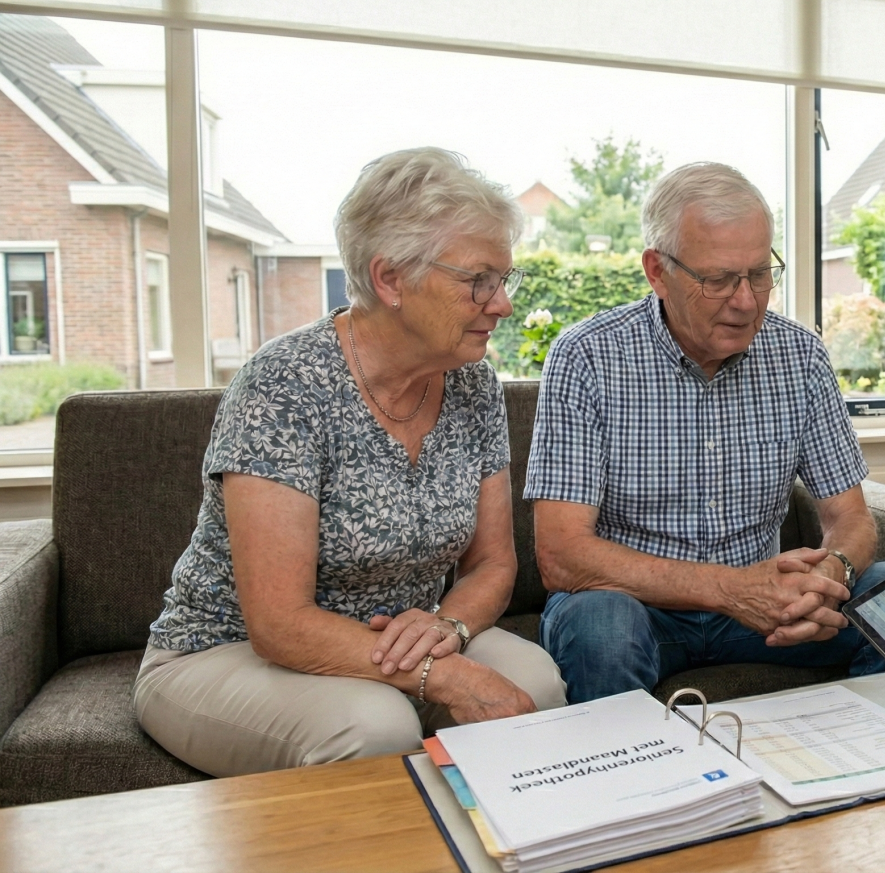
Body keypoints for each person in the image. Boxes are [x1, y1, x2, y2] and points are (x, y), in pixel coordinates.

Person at [134, 148, 566, 777]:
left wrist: (448, 626)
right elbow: (279, 624)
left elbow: (494, 562)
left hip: (401, 640)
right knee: (375, 726)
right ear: (390, 279)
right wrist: (436, 672)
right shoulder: (284, 385)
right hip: (228, 651)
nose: (501, 303)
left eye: (504, 279)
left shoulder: (473, 382)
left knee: (540, 683)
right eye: (479, 280)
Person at [528, 161, 885, 703]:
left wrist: (832, 575)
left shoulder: (800, 355)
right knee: (601, 625)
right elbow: (561, 555)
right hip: (638, 609)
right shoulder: (587, 356)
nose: (746, 301)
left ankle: (863, 762)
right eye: (718, 280)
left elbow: (851, 516)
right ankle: (635, 784)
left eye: (759, 274)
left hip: (766, 612)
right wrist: (730, 590)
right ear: (658, 271)